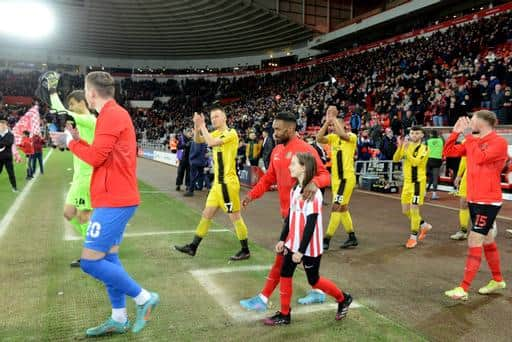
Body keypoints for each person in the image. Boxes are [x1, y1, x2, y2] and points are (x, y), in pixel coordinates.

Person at [52, 71, 159, 336]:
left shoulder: (111, 115)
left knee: (90, 262)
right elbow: (103, 154)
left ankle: (144, 298)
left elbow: (97, 157)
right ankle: (119, 318)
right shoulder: (111, 114)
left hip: (116, 199)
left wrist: (70, 143)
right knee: (109, 258)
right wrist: (76, 141)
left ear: (90, 93)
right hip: (113, 196)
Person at [239, 111, 331, 310]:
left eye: (277, 128)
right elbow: (267, 179)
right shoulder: (277, 151)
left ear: (290, 129)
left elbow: (325, 175)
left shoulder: (306, 149)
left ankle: (263, 299)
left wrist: (314, 182)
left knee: (281, 261)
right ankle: (318, 291)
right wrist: (251, 195)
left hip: (302, 218)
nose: (274, 132)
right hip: (288, 216)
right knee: (305, 263)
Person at [263, 152, 352, 326]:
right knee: (285, 274)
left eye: (293, 164)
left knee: (314, 280)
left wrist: (301, 251)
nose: (290, 167)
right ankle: (284, 314)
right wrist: (283, 239)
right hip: (292, 242)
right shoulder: (295, 189)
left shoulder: (314, 193)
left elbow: (310, 225)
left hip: (309, 247)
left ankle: (344, 298)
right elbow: (290, 216)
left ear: (304, 167)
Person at [444, 112, 507, 300]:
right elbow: (449, 153)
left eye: (472, 119)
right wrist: (455, 134)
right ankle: (497, 280)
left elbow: (480, 158)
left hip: (487, 200)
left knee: (474, 240)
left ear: (482, 121)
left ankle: (463, 288)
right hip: (474, 198)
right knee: (487, 240)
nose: (470, 121)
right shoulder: (474, 140)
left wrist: (469, 136)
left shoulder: (498, 142)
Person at [174, 107, 251, 260]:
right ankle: (193, 246)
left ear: (225, 118)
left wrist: (202, 125)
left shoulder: (231, 133)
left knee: (234, 216)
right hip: (218, 184)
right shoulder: (215, 133)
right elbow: (197, 140)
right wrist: (197, 127)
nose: (213, 119)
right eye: (211, 117)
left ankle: (245, 250)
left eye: (216, 116)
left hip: (228, 183)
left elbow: (210, 142)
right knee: (206, 214)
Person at [49, 85, 97, 268]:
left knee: (81, 216)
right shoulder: (83, 122)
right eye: (68, 104)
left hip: (87, 177)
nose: (70, 107)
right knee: (70, 214)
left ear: (82, 102)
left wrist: (53, 91)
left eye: (72, 104)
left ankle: (94, 252)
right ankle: (98, 247)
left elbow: (62, 112)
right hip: (79, 176)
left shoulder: (89, 119)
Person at [316, 106, 358, 249]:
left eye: (335, 124)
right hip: (336, 180)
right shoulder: (333, 138)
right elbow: (319, 138)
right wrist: (327, 122)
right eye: (332, 125)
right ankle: (352, 236)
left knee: (336, 207)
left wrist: (333, 117)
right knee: (343, 208)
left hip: (346, 179)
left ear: (344, 125)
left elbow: (343, 134)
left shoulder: (352, 137)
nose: (333, 127)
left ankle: (326, 239)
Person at [393, 126, 433, 248]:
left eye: (417, 133)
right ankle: (424, 225)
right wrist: (400, 147)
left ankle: (413, 237)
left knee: (414, 209)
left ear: (421, 135)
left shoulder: (424, 148)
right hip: (407, 183)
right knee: (405, 211)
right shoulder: (406, 146)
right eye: (412, 133)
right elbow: (395, 159)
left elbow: (416, 162)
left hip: (417, 183)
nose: (414, 135)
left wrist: (406, 151)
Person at [450, 153, 470, 240]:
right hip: (468, 175)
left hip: (483, 176)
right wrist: (458, 175)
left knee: (481, 205)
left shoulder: (489, 141)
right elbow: (464, 160)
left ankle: (486, 230)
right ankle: (463, 231)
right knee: (463, 202)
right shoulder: (466, 141)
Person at [0, 118, 17, 192]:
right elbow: (6, 143)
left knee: (11, 173)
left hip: (7, 158)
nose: (1, 127)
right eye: (0, 126)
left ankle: (14, 187)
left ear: (6, 126)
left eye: (2, 125)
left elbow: (9, 143)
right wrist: (4, 143)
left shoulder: (10, 134)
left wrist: (2, 143)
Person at [426, 130, 444, 200]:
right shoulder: (441, 140)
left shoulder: (428, 141)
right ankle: (434, 195)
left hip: (429, 160)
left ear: (431, 134)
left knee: (427, 176)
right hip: (437, 160)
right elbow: (443, 141)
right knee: (435, 177)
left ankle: (424, 193)